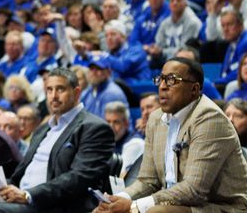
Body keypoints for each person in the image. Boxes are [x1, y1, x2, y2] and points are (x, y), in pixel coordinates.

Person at [0, 68, 115, 212]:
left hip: (54, 205)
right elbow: (18, 176)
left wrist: (28, 195)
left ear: (76, 93)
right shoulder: (42, 129)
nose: (53, 96)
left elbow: (79, 178)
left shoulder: (94, 127)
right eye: (49, 90)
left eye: (60, 89)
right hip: (21, 198)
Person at [94, 57, 247, 213]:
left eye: (171, 80)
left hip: (221, 207)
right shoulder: (155, 119)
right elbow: (147, 181)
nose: (162, 86)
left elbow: (194, 190)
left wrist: (134, 207)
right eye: (160, 79)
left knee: (156, 212)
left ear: (194, 89)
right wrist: (119, 198)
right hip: (172, 202)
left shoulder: (210, 120)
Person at [103, 101, 143, 178]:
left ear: (126, 124)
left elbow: (120, 177)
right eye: (108, 122)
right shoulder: (107, 141)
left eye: (116, 122)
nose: (111, 126)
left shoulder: (135, 144)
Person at [81, 55, 128, 119]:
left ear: (108, 72)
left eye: (98, 69)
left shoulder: (112, 93)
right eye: (91, 69)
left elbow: (109, 125)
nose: (94, 72)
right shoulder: (87, 92)